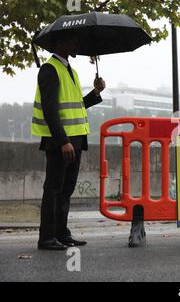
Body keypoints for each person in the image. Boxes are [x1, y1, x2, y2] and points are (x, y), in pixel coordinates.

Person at [31, 30, 106, 250]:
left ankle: (61, 234)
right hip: (60, 142)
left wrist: (95, 92)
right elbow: (50, 110)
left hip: (74, 140)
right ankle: (46, 238)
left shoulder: (69, 70)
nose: (77, 44)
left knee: (65, 190)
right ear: (59, 43)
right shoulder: (49, 69)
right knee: (53, 189)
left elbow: (76, 105)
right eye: (73, 40)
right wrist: (63, 141)